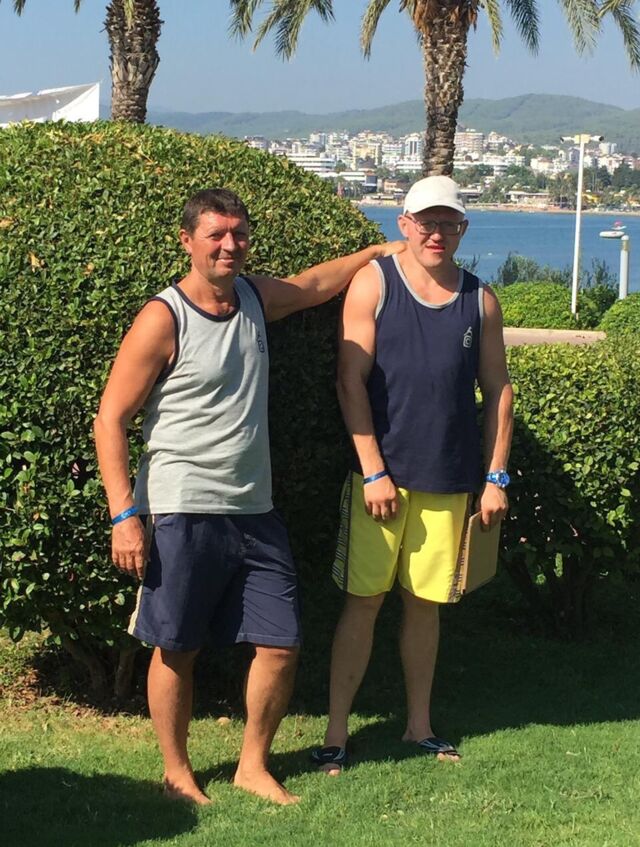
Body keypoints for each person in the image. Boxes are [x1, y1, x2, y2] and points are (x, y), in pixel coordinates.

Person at [94, 188, 404, 806]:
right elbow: (111, 418)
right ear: (187, 241)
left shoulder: (256, 298)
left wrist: (374, 252)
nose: (229, 245)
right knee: (176, 646)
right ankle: (176, 772)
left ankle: (252, 766)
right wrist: (124, 515)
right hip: (182, 508)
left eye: (238, 233)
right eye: (215, 234)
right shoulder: (165, 317)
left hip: (255, 509)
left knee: (281, 643)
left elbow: (313, 285)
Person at [312, 176, 514, 775]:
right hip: (380, 481)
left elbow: (498, 390)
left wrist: (496, 477)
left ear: (463, 230)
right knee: (363, 603)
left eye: (448, 223)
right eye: (426, 222)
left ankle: (418, 727)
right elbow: (349, 381)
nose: (436, 233)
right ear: (404, 224)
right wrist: (373, 470)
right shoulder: (375, 282)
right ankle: (335, 733)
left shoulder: (481, 299)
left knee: (426, 605)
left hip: (449, 479)